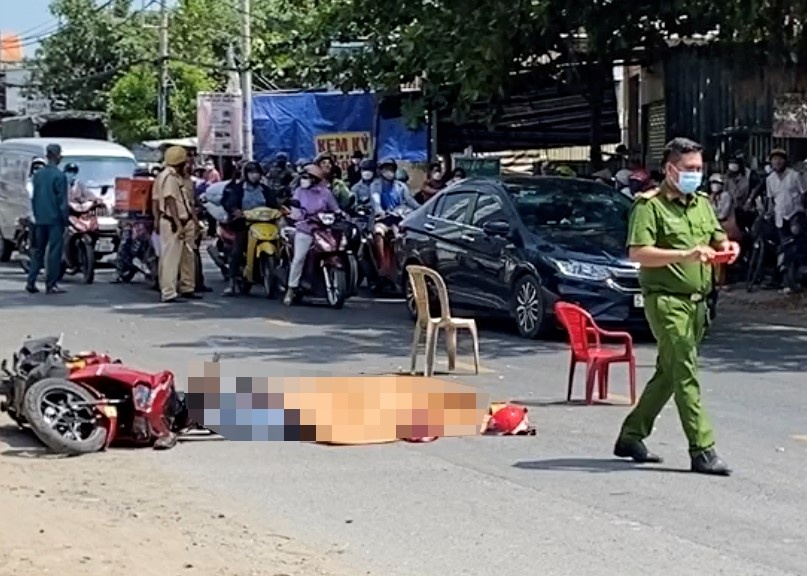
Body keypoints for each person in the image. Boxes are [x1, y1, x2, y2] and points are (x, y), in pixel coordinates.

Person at [613, 137, 738, 477]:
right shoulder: (649, 206)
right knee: (685, 371)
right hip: (666, 301)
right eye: (689, 168)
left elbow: (717, 236)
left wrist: (727, 247)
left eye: (699, 168)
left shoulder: (701, 203)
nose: (695, 174)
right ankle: (702, 449)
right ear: (670, 169)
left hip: (699, 302)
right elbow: (638, 253)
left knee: (669, 372)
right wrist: (685, 254)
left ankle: (631, 435)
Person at [283, 164, 342, 305]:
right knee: (299, 258)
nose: (303, 180)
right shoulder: (299, 192)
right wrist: (298, 216)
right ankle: (291, 289)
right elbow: (295, 210)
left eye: (307, 177)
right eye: (303, 177)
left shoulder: (325, 193)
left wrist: (340, 214)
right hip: (305, 228)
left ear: (315, 179)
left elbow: (335, 208)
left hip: (323, 229)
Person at [222, 161, 281, 296]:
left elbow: (274, 203)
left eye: (257, 173)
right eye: (251, 173)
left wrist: (281, 208)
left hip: (266, 223)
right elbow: (230, 203)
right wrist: (235, 210)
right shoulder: (238, 189)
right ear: (246, 174)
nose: (254, 175)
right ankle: (231, 284)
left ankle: (278, 279)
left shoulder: (265, 190)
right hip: (244, 224)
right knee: (237, 251)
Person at [154, 146, 198, 303]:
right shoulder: (169, 177)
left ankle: (187, 287)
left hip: (184, 220)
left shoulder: (174, 176)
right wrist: (178, 224)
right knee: (171, 259)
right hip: (173, 221)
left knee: (187, 256)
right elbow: (170, 200)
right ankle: (169, 292)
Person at [25, 144, 69, 294]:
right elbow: (62, 202)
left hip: (39, 219)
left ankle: (31, 281)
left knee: (38, 251)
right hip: (55, 219)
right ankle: (51, 284)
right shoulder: (59, 176)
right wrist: (66, 221)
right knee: (54, 252)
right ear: (57, 156)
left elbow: (34, 197)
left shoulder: (38, 175)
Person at [369, 158, 419, 277]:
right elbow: (375, 200)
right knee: (378, 232)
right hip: (383, 220)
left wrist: (422, 209)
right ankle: (383, 264)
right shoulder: (375, 185)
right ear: (381, 171)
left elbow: (410, 201)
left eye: (391, 169)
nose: (389, 171)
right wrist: (379, 211)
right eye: (386, 169)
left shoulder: (401, 186)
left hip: (399, 219)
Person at [766, 148, 806, 293]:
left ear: (785, 161)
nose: (777, 162)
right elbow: (771, 200)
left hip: (795, 215)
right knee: (783, 248)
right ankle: (785, 280)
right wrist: (768, 213)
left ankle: (797, 279)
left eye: (780, 159)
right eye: (774, 159)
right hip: (780, 217)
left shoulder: (795, 176)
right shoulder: (770, 179)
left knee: (796, 247)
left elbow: (803, 194)